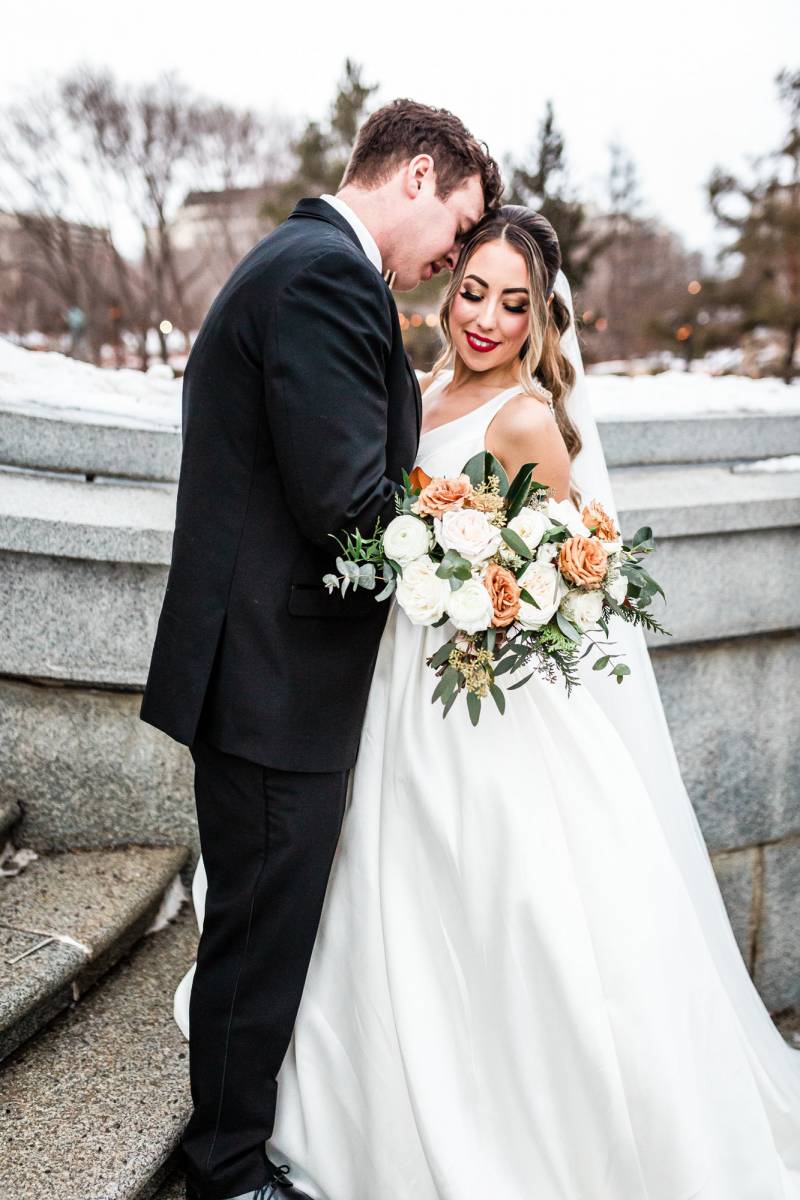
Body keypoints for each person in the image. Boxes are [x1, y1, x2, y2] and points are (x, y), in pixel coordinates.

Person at [178, 206, 800, 1198]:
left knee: (504, 921)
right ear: (448, 283)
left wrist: (484, 587)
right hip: (387, 694)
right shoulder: (414, 390)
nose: (485, 318)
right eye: (473, 290)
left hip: (478, 706)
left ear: (536, 319)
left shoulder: (524, 421)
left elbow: (568, 579)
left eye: (513, 304)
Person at [140, 99, 501, 1200]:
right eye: (457, 227)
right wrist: (478, 563)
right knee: (257, 942)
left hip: (262, 671)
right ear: (418, 174)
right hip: (271, 679)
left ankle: (236, 1151)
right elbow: (347, 504)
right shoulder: (322, 278)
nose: (451, 256)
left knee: (263, 928)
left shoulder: (301, 265)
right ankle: (228, 1171)